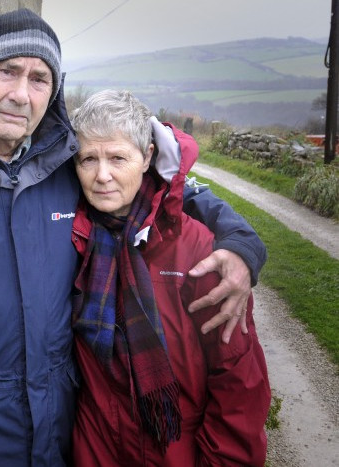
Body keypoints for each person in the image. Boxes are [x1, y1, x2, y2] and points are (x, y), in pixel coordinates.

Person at [0, 9, 266, 466]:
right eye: (8, 72)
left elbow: (161, 190)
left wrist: (241, 244)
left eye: (40, 79)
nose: (21, 94)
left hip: (61, 432)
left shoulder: (62, 161)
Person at [70, 90, 271, 466]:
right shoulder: (74, 239)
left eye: (118, 158)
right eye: (88, 159)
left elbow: (238, 386)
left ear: (147, 157)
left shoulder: (197, 252)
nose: (102, 175)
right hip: (95, 450)